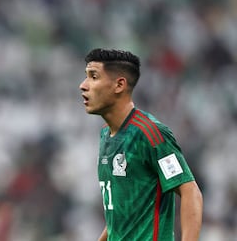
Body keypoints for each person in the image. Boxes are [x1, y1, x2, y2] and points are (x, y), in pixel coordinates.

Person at [79, 48, 203, 241]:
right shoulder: (106, 135)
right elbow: (120, 219)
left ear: (119, 85)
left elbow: (189, 191)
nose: (83, 85)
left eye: (93, 77)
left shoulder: (149, 133)